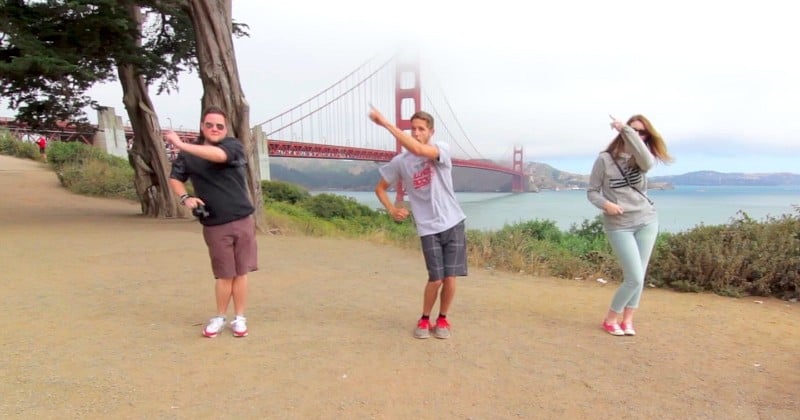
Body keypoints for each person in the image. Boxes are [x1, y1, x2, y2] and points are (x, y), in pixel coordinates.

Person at [370, 107, 467, 339]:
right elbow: (380, 188)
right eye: (412, 129)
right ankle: (424, 319)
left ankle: (443, 318)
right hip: (427, 227)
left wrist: (385, 123)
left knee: (450, 277)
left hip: (453, 221)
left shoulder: (440, 149)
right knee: (436, 278)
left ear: (430, 132)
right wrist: (392, 209)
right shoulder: (400, 162)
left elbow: (418, 149)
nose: (415, 133)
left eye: (421, 129)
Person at [166, 106, 258, 338]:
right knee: (224, 275)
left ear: (226, 129)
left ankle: (240, 318)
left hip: (242, 219)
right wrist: (186, 197)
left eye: (220, 126)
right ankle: (219, 317)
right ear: (202, 126)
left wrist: (180, 144)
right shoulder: (188, 156)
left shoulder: (233, 146)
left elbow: (219, 156)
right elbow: (175, 178)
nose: (215, 129)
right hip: (215, 223)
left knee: (241, 273)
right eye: (210, 125)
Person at [587, 114, 673, 336]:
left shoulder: (642, 160)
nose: (637, 135)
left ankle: (627, 321)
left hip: (646, 220)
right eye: (633, 131)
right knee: (633, 277)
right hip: (619, 224)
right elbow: (592, 191)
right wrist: (606, 204)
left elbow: (648, 160)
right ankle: (610, 318)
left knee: (640, 276)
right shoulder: (605, 159)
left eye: (641, 132)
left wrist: (626, 129)